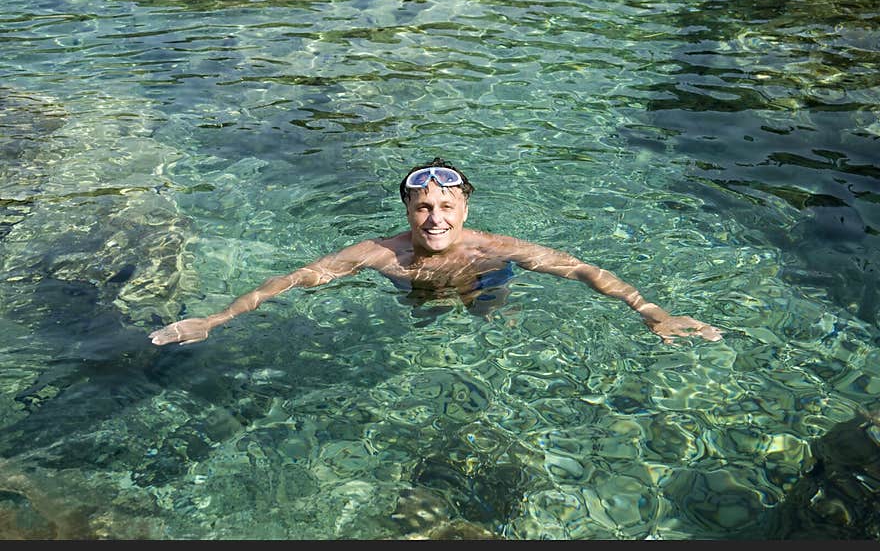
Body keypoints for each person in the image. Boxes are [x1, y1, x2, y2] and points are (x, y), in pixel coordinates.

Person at [149, 158, 723, 346]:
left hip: (486, 284)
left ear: (465, 211)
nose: (435, 218)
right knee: (421, 320)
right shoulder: (381, 253)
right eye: (423, 207)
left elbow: (583, 272)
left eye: (446, 207)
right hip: (413, 293)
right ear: (407, 210)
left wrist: (651, 311)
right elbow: (297, 279)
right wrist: (216, 318)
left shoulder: (496, 246)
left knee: (492, 318)